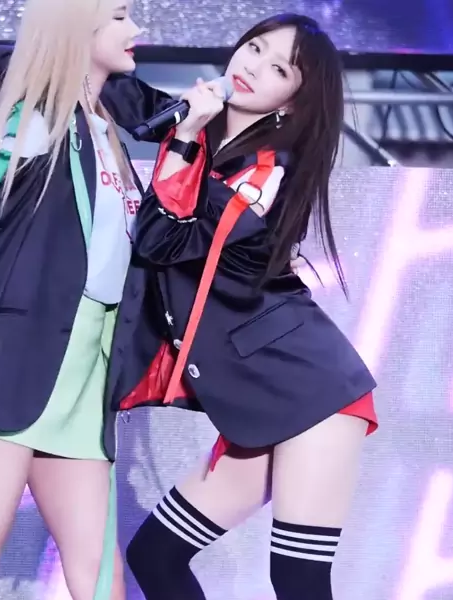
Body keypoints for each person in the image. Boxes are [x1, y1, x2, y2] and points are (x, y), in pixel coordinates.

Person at [106, 12, 379, 600]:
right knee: (155, 556)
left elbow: (161, 241)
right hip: (255, 397)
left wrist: (182, 139)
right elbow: (121, 94)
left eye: (279, 69)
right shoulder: (204, 128)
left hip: (313, 394)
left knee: (298, 576)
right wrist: (28, 59)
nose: (253, 67)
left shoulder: (266, 173)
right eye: (255, 48)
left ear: (293, 100)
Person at [0, 1, 172, 598]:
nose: (135, 28)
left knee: (99, 575)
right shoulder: (37, 121)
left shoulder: (104, 126)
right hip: (12, 365)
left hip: (86, 377)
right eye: (119, 15)